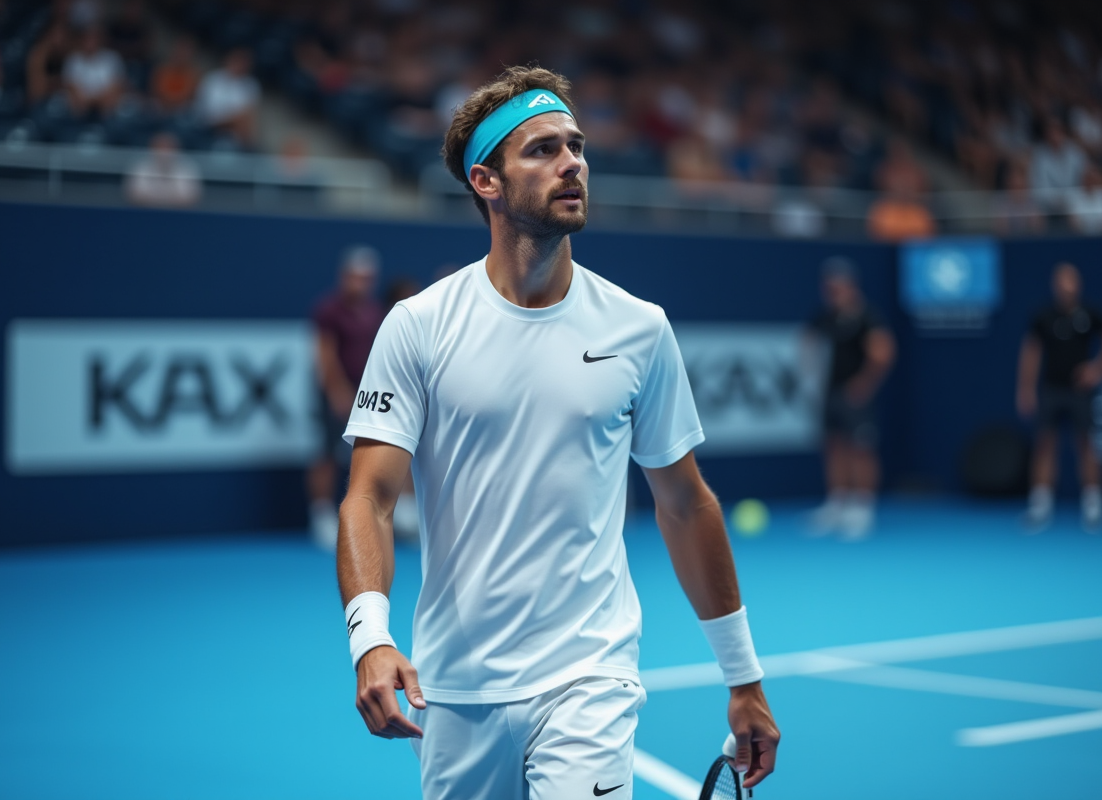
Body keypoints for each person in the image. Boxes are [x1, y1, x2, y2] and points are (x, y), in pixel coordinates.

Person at [336, 65, 779, 799]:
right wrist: (371, 640)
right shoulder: (417, 327)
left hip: (590, 677)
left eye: (576, 146)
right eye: (541, 150)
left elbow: (685, 503)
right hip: (455, 688)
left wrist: (743, 676)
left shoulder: (639, 330)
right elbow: (369, 499)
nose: (572, 162)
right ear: (487, 181)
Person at [1016, 263, 1102, 531]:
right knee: (1045, 445)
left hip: (1080, 391)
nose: (1067, 287)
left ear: (1078, 285)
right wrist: (1026, 388)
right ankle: (1040, 505)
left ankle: (1093, 506)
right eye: (1062, 282)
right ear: (1055, 286)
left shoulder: (1090, 314)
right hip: (1051, 389)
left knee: (1086, 445)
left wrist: (1097, 369)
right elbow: (1031, 352)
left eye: (1071, 281)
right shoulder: (1043, 316)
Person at [805, 258, 896, 540]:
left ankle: (862, 507)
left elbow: (884, 352)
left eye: (838, 286)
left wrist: (865, 384)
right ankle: (838, 503)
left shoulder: (868, 316)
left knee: (861, 448)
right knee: (834, 445)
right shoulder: (827, 316)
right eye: (829, 287)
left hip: (856, 393)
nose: (833, 292)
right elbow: (806, 339)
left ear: (851, 286)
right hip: (832, 391)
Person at [309, 246, 385, 550]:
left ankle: (369, 515)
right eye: (356, 277)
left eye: (366, 278)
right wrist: (338, 393)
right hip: (335, 393)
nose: (361, 283)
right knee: (326, 453)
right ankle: (321, 516)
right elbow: (324, 357)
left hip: (367, 394)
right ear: (344, 277)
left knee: (372, 452)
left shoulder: (375, 311)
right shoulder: (328, 310)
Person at [195, 48, 259, 147]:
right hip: (208, 127)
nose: (239, 65)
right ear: (228, 60)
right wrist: (232, 118)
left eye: (243, 62)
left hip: (235, 131)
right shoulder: (213, 79)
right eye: (237, 61)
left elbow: (248, 115)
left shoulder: (250, 85)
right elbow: (208, 113)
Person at [123, 131, 201, 207]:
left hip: (179, 215)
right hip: (145, 213)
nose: (164, 151)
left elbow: (189, 197)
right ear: (151, 148)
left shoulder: (187, 166)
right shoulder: (140, 165)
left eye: (169, 147)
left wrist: (156, 199)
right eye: (160, 147)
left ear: (176, 148)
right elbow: (135, 195)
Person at [63, 26, 124, 118]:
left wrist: (96, 101)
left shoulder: (112, 57)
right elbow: (72, 88)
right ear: (82, 40)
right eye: (87, 38)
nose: (91, 42)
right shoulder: (73, 59)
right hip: (80, 108)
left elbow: (116, 86)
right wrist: (90, 101)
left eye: (94, 38)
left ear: (100, 40)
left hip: (107, 108)